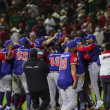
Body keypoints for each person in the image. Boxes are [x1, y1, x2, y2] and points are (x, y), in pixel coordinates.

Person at [77, 34, 103, 109]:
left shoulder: (93, 45)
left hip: (94, 64)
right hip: (92, 65)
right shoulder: (93, 45)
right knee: (93, 83)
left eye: (88, 39)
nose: (86, 40)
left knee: (94, 83)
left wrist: (76, 48)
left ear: (91, 39)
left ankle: (99, 100)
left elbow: (83, 49)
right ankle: (97, 100)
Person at [10, 37, 31, 110]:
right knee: (27, 90)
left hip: (15, 71)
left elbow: (10, 59)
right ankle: (28, 107)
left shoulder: (15, 50)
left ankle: (15, 107)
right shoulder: (29, 50)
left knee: (16, 91)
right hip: (24, 71)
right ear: (26, 43)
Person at [57, 40, 78, 110]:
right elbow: (73, 67)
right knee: (73, 102)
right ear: (74, 47)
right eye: (76, 46)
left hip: (60, 79)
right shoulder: (72, 54)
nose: (77, 47)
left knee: (65, 102)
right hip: (68, 80)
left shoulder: (63, 54)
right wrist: (75, 80)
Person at [74, 37, 91, 110]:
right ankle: (82, 105)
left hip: (73, 72)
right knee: (80, 88)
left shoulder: (69, 51)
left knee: (74, 89)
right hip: (81, 71)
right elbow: (88, 58)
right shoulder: (81, 51)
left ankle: (75, 106)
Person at [47, 43, 63, 110]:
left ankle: (53, 106)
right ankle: (62, 105)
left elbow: (48, 63)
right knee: (61, 90)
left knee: (51, 91)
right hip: (58, 74)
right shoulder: (62, 55)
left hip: (50, 74)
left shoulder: (50, 55)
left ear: (55, 48)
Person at [0, 40, 13, 110]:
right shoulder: (8, 51)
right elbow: (8, 58)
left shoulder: (1, 51)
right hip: (7, 73)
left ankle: (0, 105)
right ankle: (8, 106)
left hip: (1, 74)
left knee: (1, 90)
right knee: (8, 90)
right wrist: (11, 49)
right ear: (9, 45)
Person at [97, 42, 110, 110]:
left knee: (105, 92)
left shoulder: (101, 56)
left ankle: (106, 107)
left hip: (102, 76)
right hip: (109, 76)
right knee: (109, 92)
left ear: (105, 48)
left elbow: (98, 63)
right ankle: (108, 106)